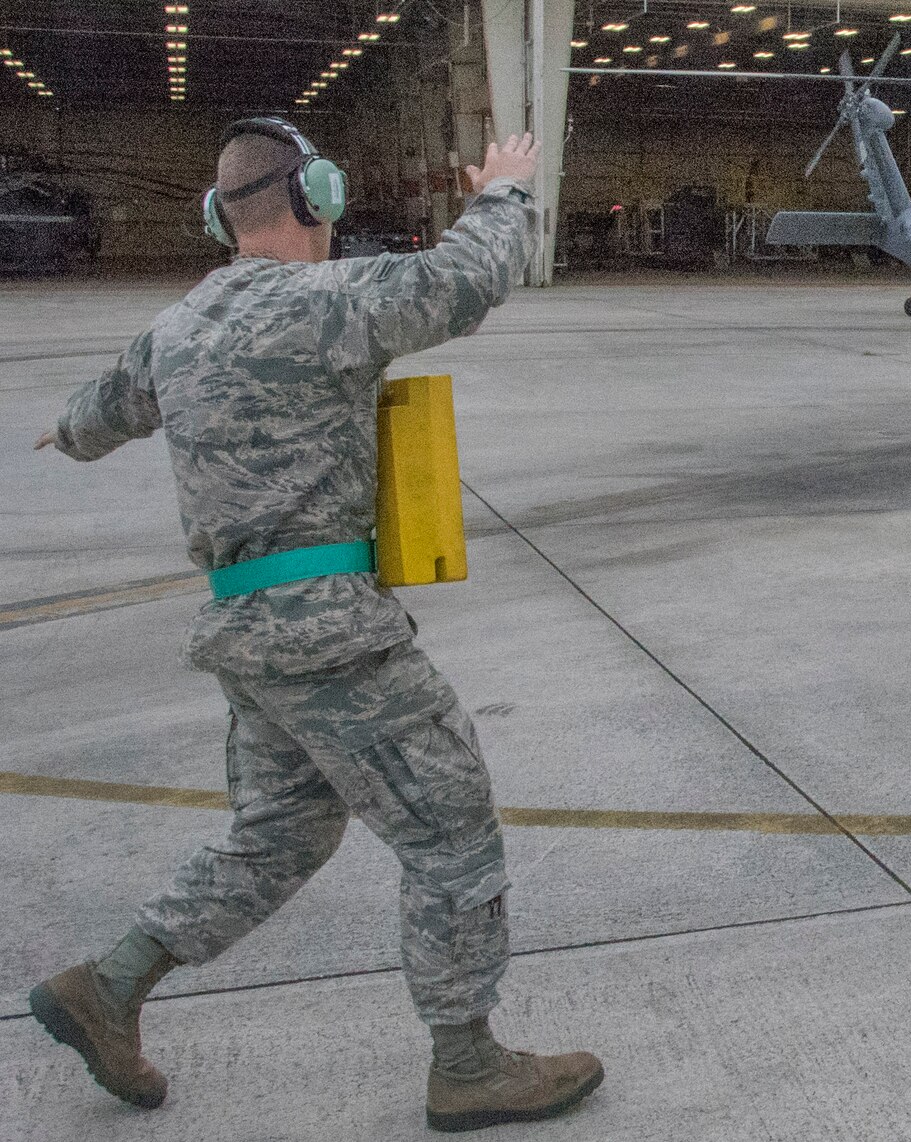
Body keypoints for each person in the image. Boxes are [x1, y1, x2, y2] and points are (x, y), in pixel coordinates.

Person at [27, 117, 603, 1134]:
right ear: (316, 197)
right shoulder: (321, 302)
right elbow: (465, 283)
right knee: (451, 832)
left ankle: (109, 989)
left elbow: (92, 416)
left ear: (218, 218)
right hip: (328, 630)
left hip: (247, 630)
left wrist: (65, 428)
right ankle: (467, 1063)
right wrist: (505, 189)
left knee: (280, 833)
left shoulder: (178, 327)